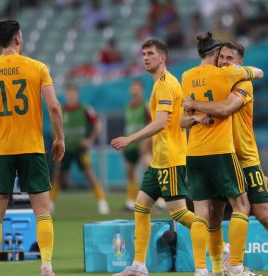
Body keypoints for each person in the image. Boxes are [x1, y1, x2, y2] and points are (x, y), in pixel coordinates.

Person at [182, 41, 268, 276]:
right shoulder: (217, 81)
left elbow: (227, 107)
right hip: (221, 157)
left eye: (230, 58)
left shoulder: (244, 84)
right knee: (214, 214)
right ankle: (224, 268)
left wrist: (196, 106)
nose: (224, 61)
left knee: (264, 215)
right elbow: (186, 119)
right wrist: (196, 116)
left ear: (240, 63)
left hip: (245, 158)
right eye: (222, 57)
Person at [0, 19, 64, 276]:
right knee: (42, 211)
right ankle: (46, 265)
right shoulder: (37, 68)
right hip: (32, 148)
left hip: (0, 151)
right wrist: (59, 138)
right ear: (18, 40)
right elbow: (54, 107)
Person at [180, 32, 263, 276]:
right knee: (241, 205)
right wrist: (243, 68)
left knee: (200, 212)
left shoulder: (185, 76)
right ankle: (236, 266)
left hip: (193, 153)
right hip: (220, 151)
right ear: (216, 54)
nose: (224, 60)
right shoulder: (227, 74)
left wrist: (195, 113)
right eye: (222, 55)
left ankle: (201, 269)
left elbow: (183, 121)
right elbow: (258, 73)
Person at [111, 39, 195, 276]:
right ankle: (139, 265)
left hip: (171, 159)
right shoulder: (158, 84)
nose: (145, 57)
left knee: (180, 214)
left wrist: (130, 139)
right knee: (141, 207)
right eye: (143, 53)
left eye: (150, 54)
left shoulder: (167, 84)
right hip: (158, 161)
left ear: (162, 58)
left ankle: (221, 246)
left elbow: (160, 123)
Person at [50, 83, 109, 215]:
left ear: (77, 94)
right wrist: (58, 143)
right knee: (57, 176)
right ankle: (50, 204)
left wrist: (90, 140)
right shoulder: (62, 110)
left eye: (73, 92)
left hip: (80, 149)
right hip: (65, 149)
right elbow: (55, 127)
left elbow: (98, 124)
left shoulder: (85, 109)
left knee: (90, 174)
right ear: (66, 95)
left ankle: (102, 201)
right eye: (69, 92)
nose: (71, 95)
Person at [122, 79, 151, 211]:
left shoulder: (145, 106)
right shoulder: (128, 107)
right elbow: (128, 126)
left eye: (137, 87)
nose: (135, 90)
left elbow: (151, 123)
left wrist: (146, 142)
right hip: (130, 145)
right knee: (129, 173)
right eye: (133, 87)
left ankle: (159, 201)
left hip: (143, 144)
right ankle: (130, 200)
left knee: (150, 170)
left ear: (142, 90)